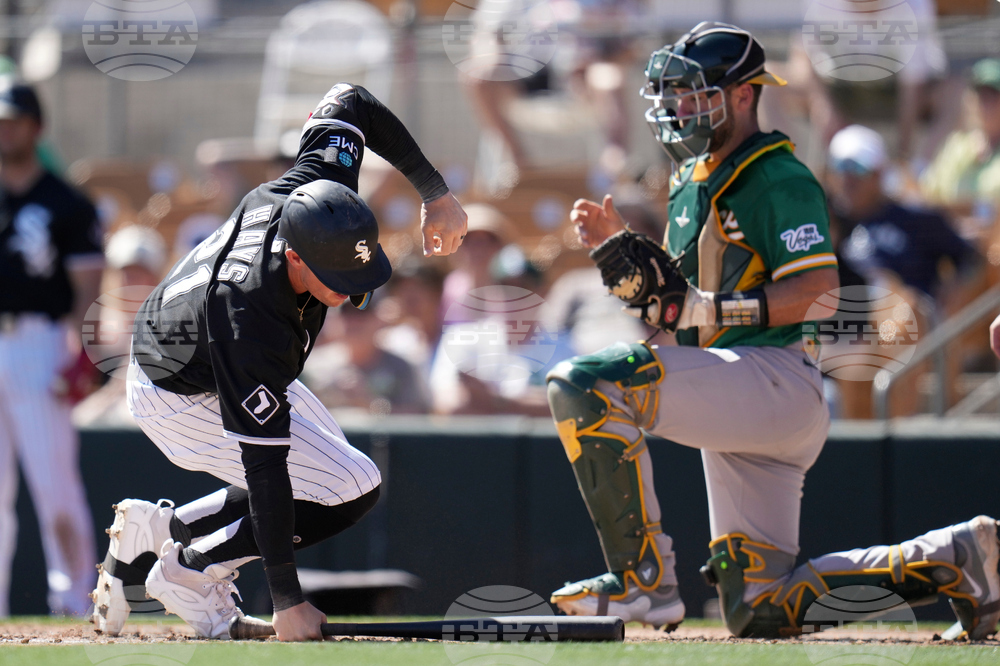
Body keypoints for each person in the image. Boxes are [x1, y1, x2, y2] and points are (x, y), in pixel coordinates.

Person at [546, 22, 1000, 640]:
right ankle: (958, 559)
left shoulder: (777, 175)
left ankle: (643, 582)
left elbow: (817, 293)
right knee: (759, 607)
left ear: (742, 95)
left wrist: (703, 310)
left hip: (776, 381)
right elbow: (684, 317)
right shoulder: (691, 182)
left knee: (584, 383)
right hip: (738, 393)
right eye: (675, 95)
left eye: (696, 94)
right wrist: (627, 268)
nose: (681, 109)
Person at [90, 82, 467, 641]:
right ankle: (188, 570)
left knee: (334, 478)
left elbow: (351, 100)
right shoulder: (251, 317)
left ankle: (162, 529)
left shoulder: (319, 191)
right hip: (176, 390)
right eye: (340, 282)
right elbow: (265, 472)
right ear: (294, 254)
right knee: (347, 487)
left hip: (200, 345)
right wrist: (288, 600)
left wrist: (434, 192)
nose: (349, 295)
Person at [0, 82, 104, 617]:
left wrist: (83, 351)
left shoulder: (65, 202)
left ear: (36, 128)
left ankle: (75, 602)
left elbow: (88, 285)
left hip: (38, 343)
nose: (4, 129)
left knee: (54, 485)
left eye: (13, 120)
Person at [828, 125, 979, 301]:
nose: (847, 178)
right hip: (841, 323)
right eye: (840, 166)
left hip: (911, 321)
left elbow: (970, 259)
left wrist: (953, 298)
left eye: (858, 167)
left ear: (879, 173)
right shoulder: (823, 222)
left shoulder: (915, 219)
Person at [922, 58, 1000, 206]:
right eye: (981, 95)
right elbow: (929, 195)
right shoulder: (956, 146)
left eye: (994, 95)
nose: (986, 103)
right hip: (951, 228)